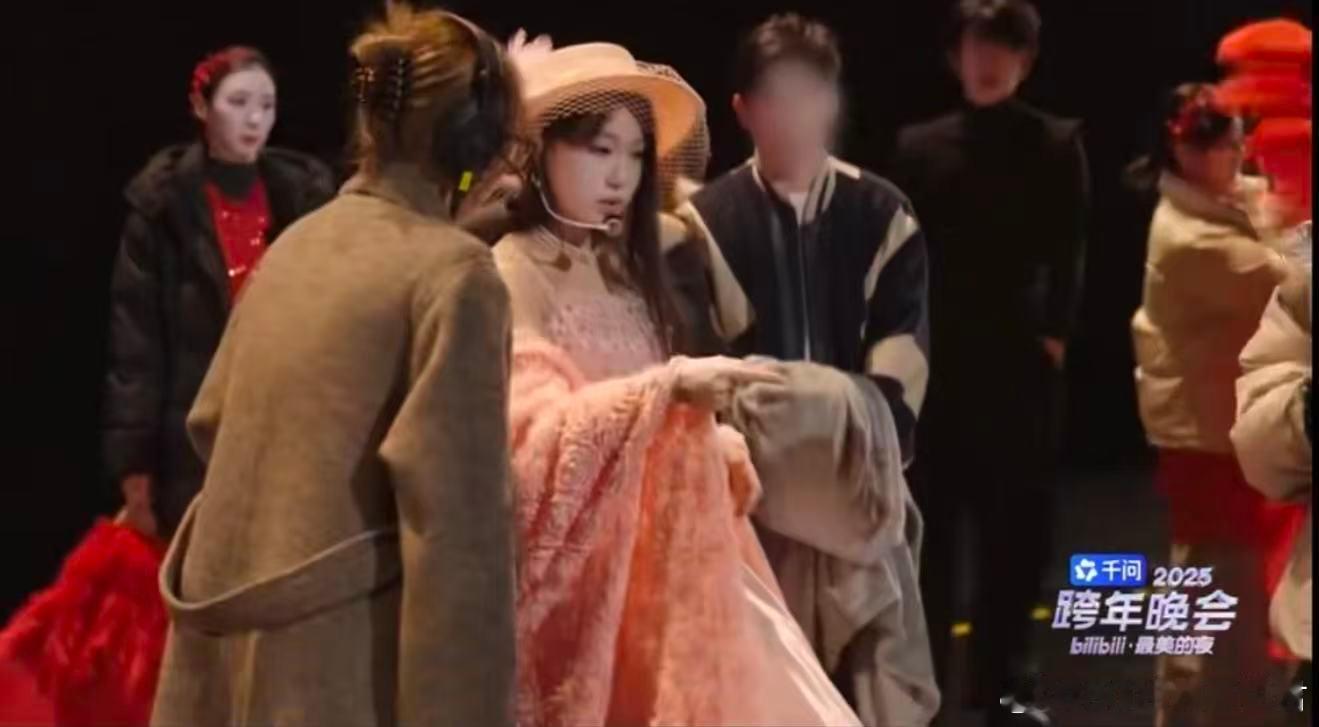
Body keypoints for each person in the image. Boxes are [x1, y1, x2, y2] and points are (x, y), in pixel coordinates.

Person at [150, 6, 521, 725]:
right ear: (475, 139)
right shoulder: (457, 277)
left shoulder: (297, 244)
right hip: (331, 679)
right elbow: (459, 551)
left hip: (216, 672)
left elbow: (209, 422)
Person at [494, 38, 861, 725]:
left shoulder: (620, 268)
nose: (621, 175)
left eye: (635, 154)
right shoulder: (513, 268)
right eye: (599, 149)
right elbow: (528, 433)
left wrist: (707, 438)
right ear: (538, 152)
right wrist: (665, 392)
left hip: (672, 557)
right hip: (595, 579)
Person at [672, 14, 937, 725]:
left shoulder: (882, 214)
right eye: (776, 98)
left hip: (860, 497)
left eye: (812, 94)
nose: (795, 117)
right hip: (754, 506)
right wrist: (817, 413)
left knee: (874, 681)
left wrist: (841, 433)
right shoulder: (704, 223)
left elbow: (898, 373)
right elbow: (708, 372)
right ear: (743, 110)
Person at [888, 1, 1088, 721]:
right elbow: (899, 254)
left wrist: (1053, 336)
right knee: (930, 537)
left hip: (1017, 362)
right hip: (938, 364)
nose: (988, 61)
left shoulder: (1055, 141)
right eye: (976, 46)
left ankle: (1002, 685)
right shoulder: (918, 145)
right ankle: (925, 689)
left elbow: (1069, 250)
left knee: (1015, 536)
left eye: (1003, 48)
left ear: (1025, 61)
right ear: (955, 56)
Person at [105, 46, 334, 540]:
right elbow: (136, 349)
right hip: (195, 439)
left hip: (283, 429)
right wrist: (135, 470)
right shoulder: (162, 209)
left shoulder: (304, 199)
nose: (254, 119)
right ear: (201, 106)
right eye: (238, 102)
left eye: (267, 105)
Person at [1130, 83, 1302, 727]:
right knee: (1221, 612)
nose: (1224, 151)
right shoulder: (1189, 237)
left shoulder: (1234, 200)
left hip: (1232, 434)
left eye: (1230, 135)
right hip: (1210, 443)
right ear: (1175, 147)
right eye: (1205, 140)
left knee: (1219, 600)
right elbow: (1290, 279)